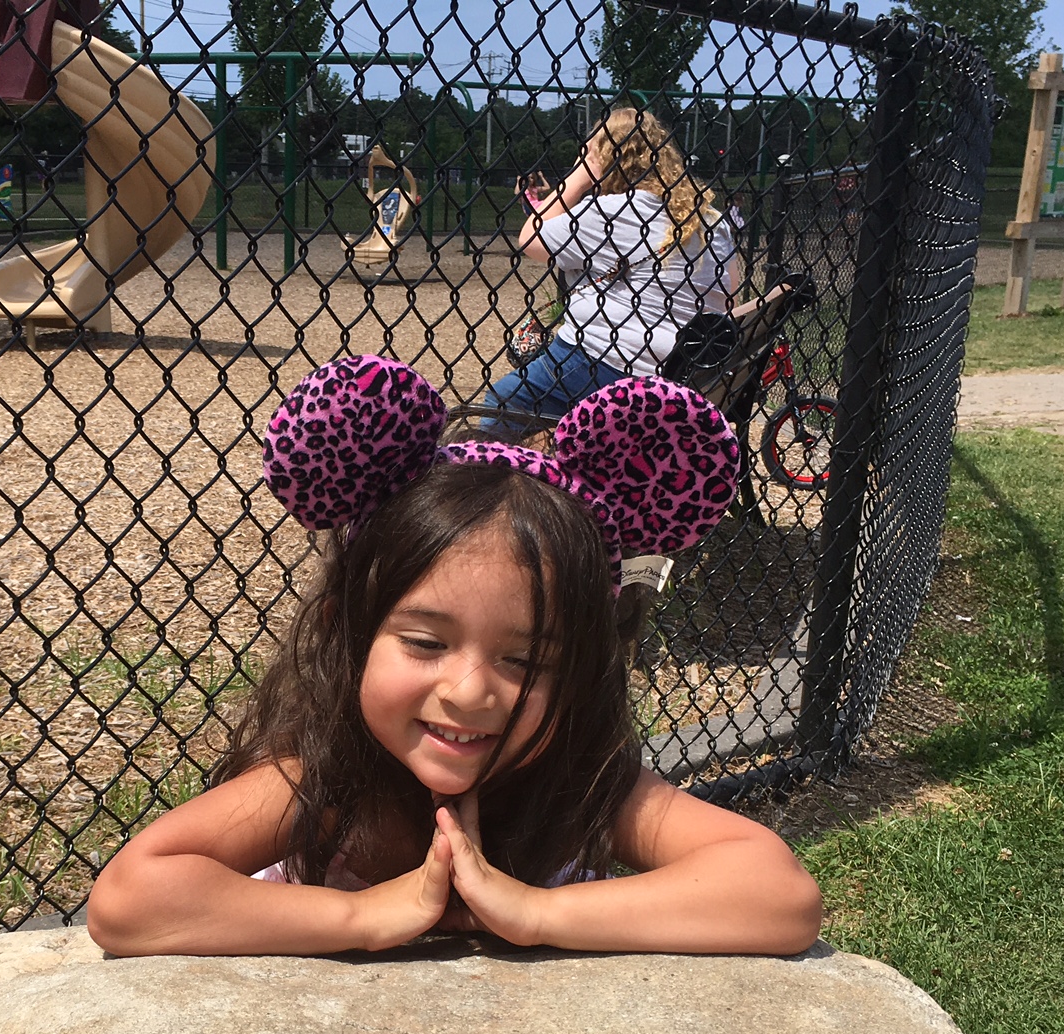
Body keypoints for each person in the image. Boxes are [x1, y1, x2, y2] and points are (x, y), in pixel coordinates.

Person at [87, 355, 821, 957]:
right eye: (425, 643)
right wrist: (368, 914)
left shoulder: (579, 779)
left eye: (526, 661)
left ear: (582, 669)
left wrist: (533, 912)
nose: (470, 692)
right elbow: (128, 900)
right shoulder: (326, 776)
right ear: (349, 633)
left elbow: (779, 895)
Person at [489, 108, 737, 426]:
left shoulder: (611, 211)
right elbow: (729, 293)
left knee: (501, 400)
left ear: (604, 158)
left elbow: (530, 238)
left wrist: (579, 176)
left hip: (607, 363)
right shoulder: (711, 218)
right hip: (690, 372)